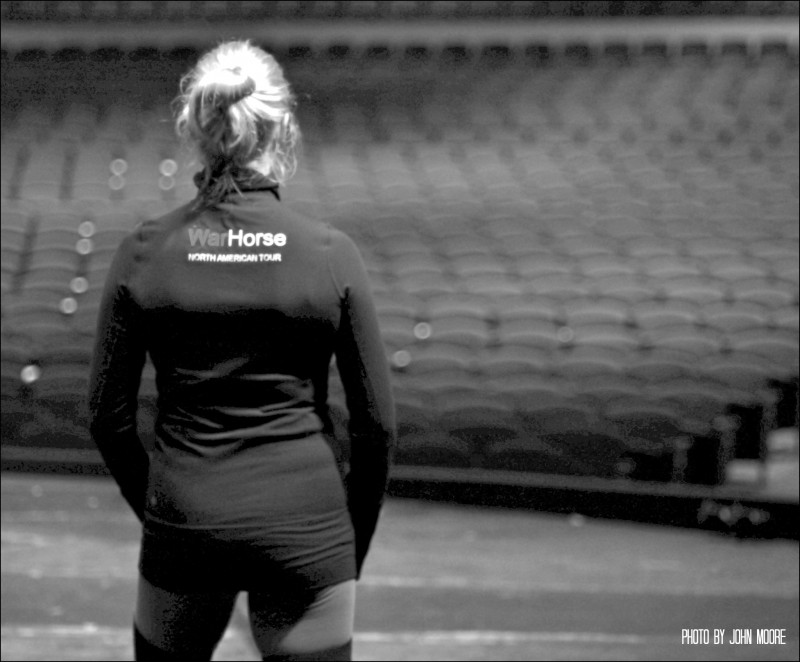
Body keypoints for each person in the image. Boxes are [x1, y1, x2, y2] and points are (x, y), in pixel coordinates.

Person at [88, 40, 396, 661]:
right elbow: (377, 426)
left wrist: (163, 512)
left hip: (187, 516)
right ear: (281, 127)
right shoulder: (330, 252)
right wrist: (344, 547)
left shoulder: (144, 251)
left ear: (195, 127)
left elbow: (107, 417)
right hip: (306, 523)